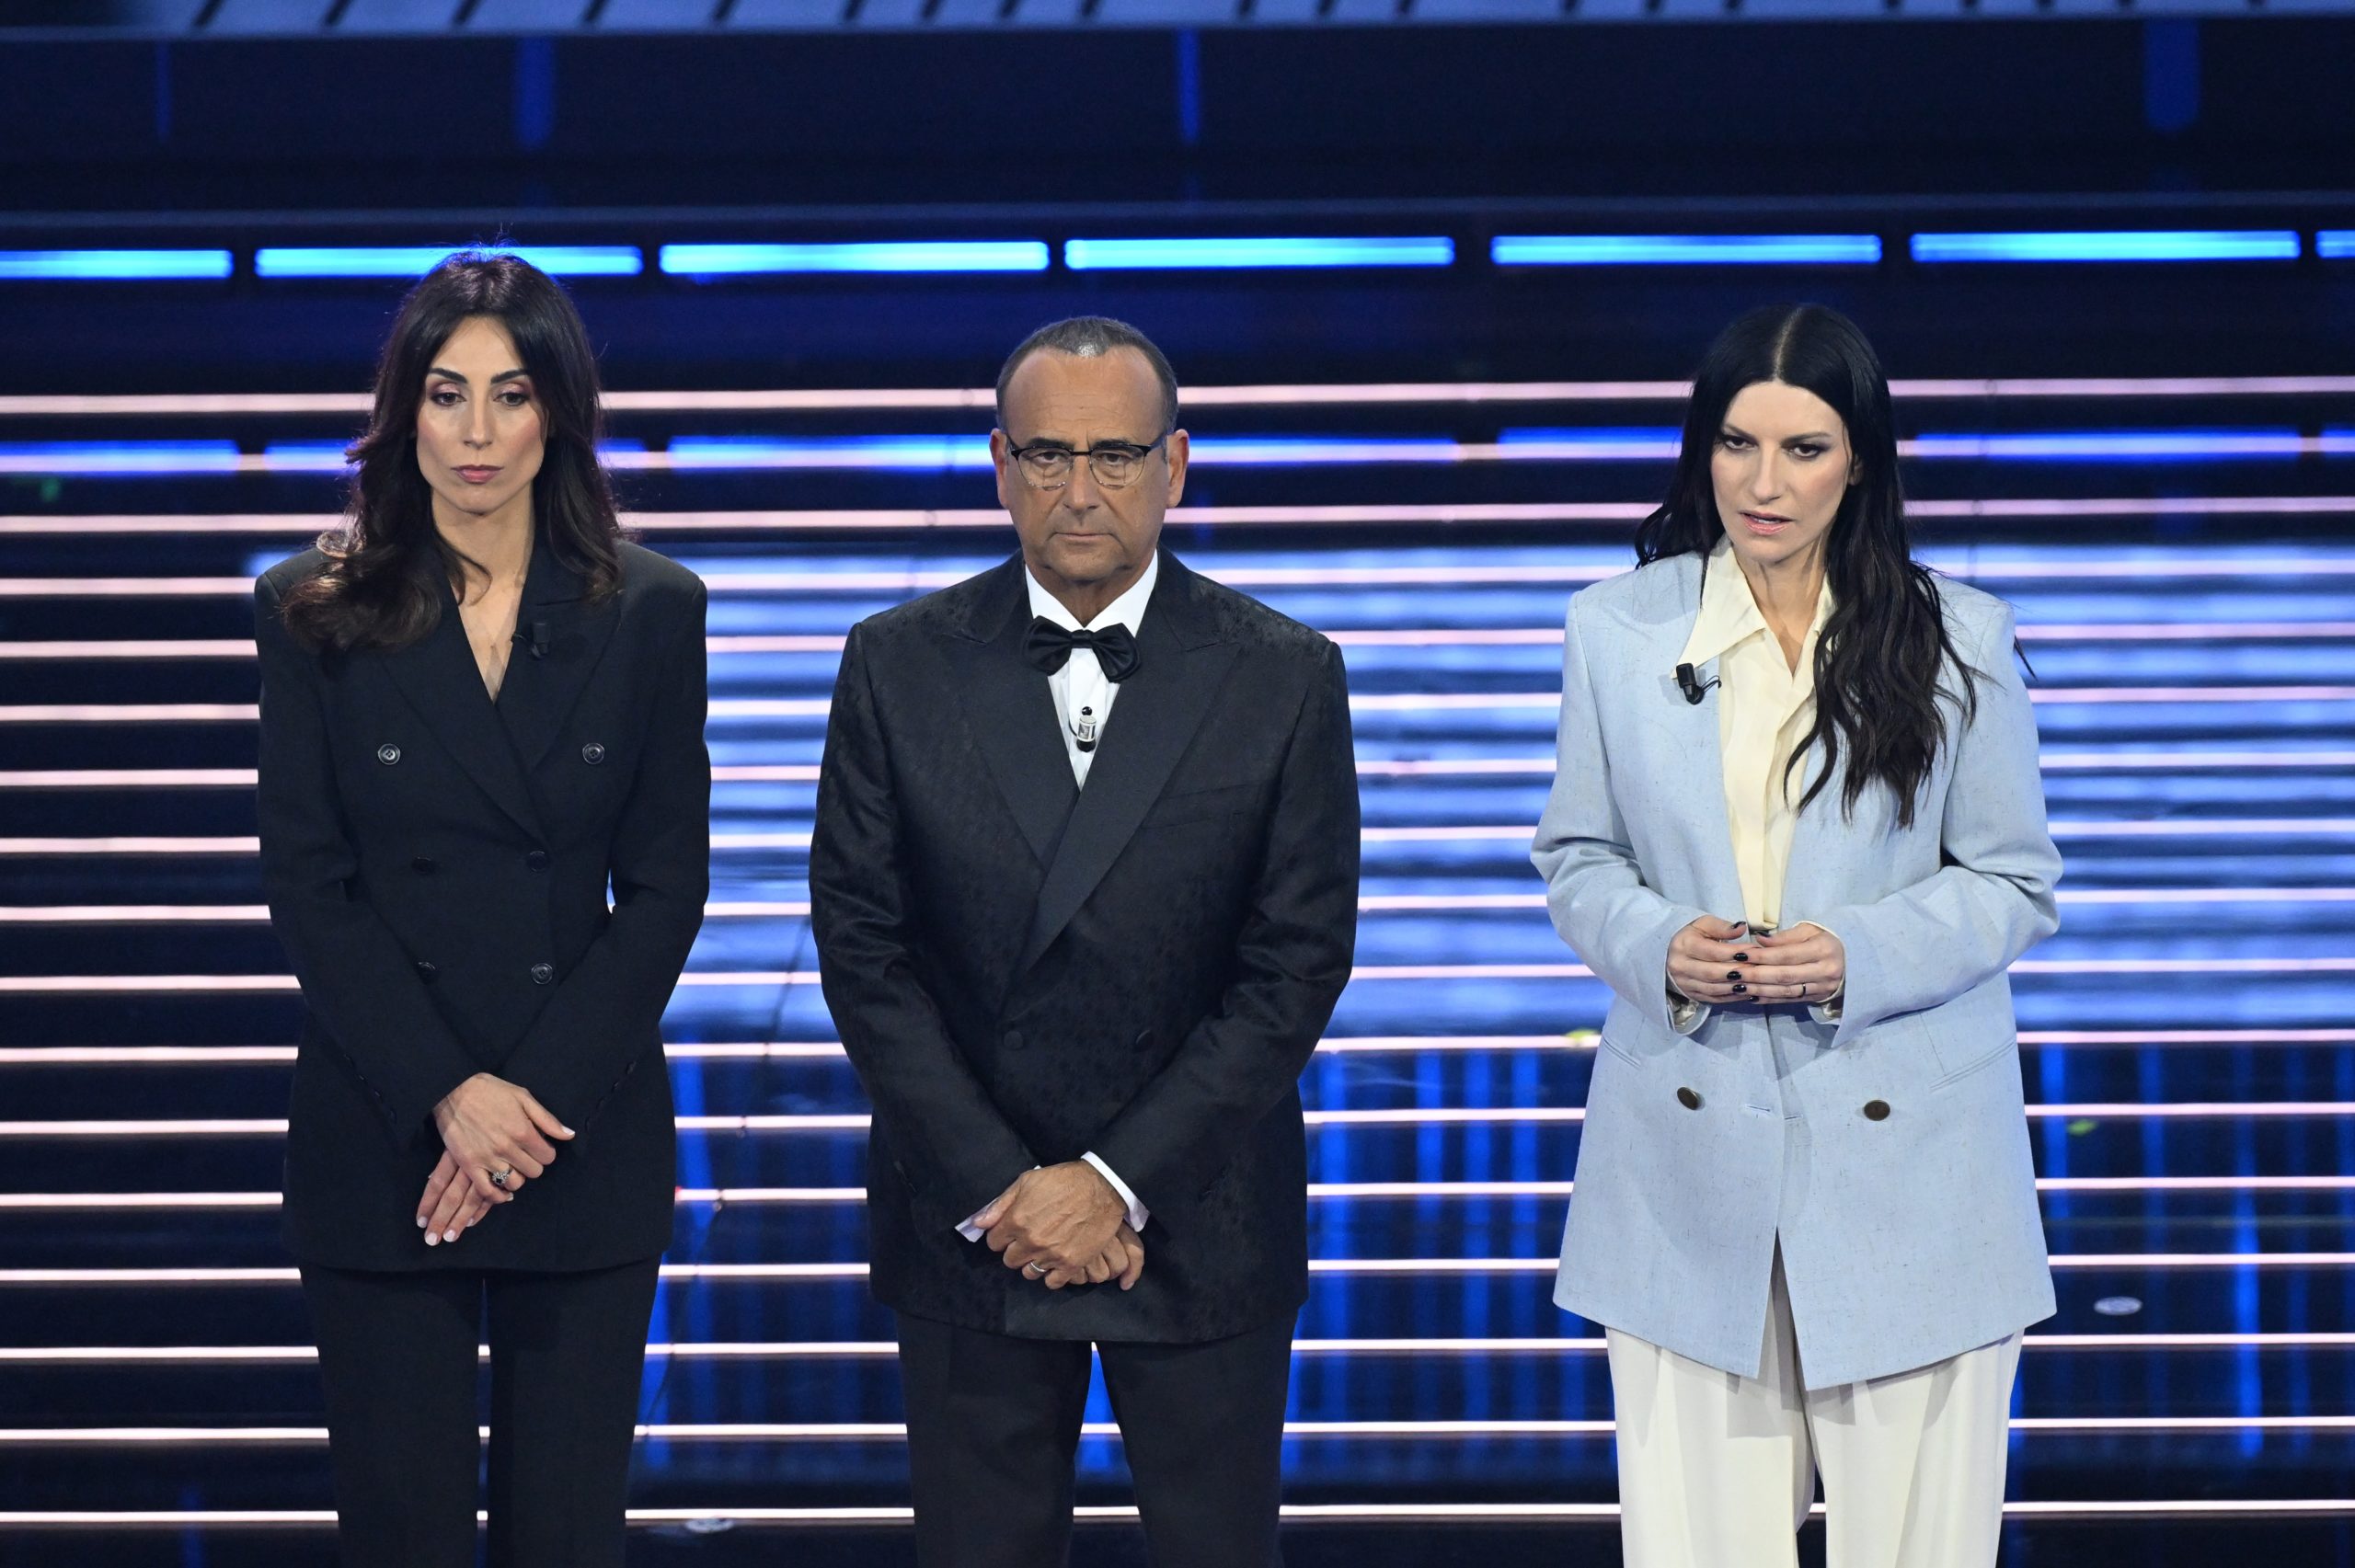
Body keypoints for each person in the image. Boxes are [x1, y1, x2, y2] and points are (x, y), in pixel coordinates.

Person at [809, 315, 1360, 1568]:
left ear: (1175, 466)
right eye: (1047, 455)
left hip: (1200, 1210)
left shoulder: (1284, 672)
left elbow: (1295, 966)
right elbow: (863, 946)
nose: (1078, 489)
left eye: (1114, 456)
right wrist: (1008, 1189)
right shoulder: (895, 665)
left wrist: (1111, 1182)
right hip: (973, 1219)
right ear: (999, 465)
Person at [1530, 303, 2061, 1567]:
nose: (1764, 484)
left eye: (1805, 449)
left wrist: (1854, 955)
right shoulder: (1618, 628)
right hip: (1684, 1166)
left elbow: (2014, 879)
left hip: (1918, 1171)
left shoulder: (1956, 634)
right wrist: (1660, 941)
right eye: (1737, 444)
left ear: (1861, 458)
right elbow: (1575, 857)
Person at [254, 252, 708, 1567]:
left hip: (583, 1138)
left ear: (557, 410)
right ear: (405, 409)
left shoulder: (650, 610)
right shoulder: (311, 611)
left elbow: (666, 884)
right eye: (446, 394)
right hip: (385, 1137)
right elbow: (309, 884)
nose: (476, 432)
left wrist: (526, 1105)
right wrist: (451, 1091)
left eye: (510, 395)